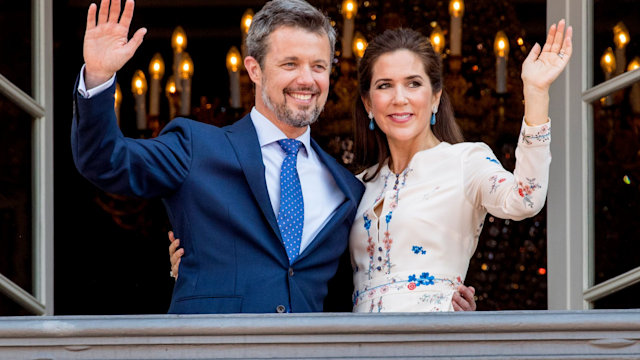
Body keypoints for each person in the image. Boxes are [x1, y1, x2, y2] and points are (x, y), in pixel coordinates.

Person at [75, 0, 476, 314]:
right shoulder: (195, 146)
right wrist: (98, 78)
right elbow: (105, 161)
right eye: (290, 64)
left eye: (319, 66)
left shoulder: (349, 189)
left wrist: (443, 305)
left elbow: (357, 292)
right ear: (254, 69)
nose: (307, 79)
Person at [170, 22, 572, 312]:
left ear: (435, 98)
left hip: (435, 342)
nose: (400, 99)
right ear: (367, 104)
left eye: (414, 84)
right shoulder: (355, 186)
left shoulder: (465, 161)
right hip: (360, 345)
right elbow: (299, 263)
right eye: (384, 86)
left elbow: (526, 199)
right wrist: (205, 257)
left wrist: (535, 95)